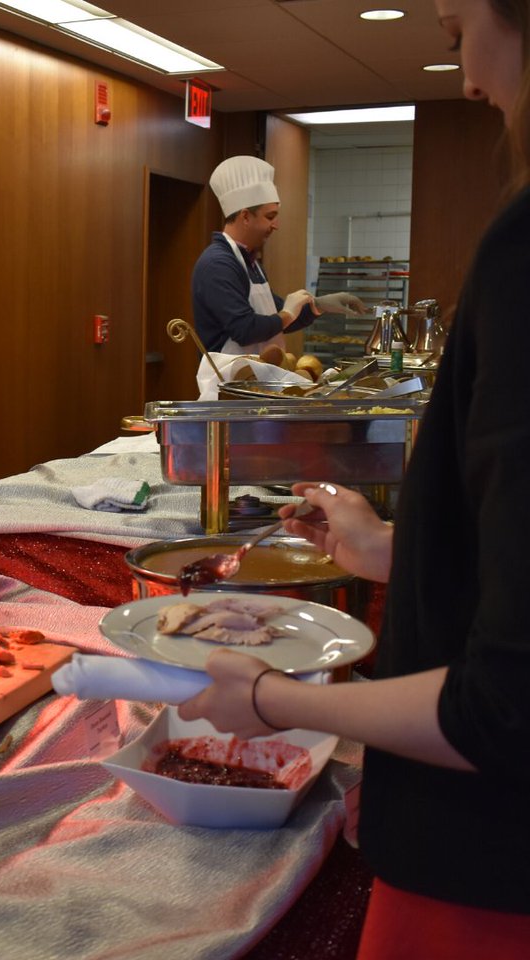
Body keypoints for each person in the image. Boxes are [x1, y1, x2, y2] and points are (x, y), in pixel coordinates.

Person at [179, 1, 530, 952]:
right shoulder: (220, 264)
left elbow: (503, 705)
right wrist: (393, 554)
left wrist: (270, 699)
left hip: (487, 863)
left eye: (457, 35)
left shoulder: (523, 252)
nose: (465, 80)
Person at [190, 155, 365, 394]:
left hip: (254, 387)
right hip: (229, 392)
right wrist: (286, 313)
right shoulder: (218, 264)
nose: (276, 225)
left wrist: (318, 305)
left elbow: (272, 315)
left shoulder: (247, 261)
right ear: (245, 216)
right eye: (270, 216)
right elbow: (245, 329)